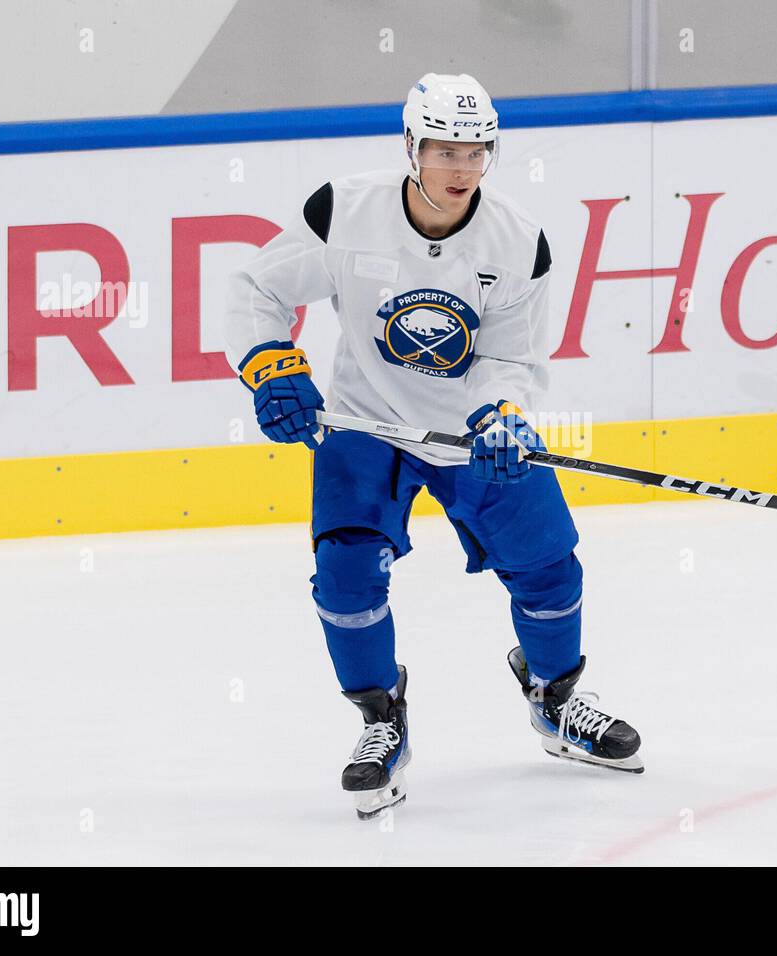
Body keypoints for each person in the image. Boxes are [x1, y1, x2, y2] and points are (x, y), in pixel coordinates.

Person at [224, 73, 643, 819]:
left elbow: (511, 358)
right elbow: (258, 289)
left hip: (467, 432)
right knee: (346, 576)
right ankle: (382, 720)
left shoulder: (518, 241)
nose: (461, 169)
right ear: (411, 146)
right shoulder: (345, 210)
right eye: (445, 150)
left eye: (476, 152)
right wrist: (272, 367)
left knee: (548, 565)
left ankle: (554, 701)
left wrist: (501, 415)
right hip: (365, 425)